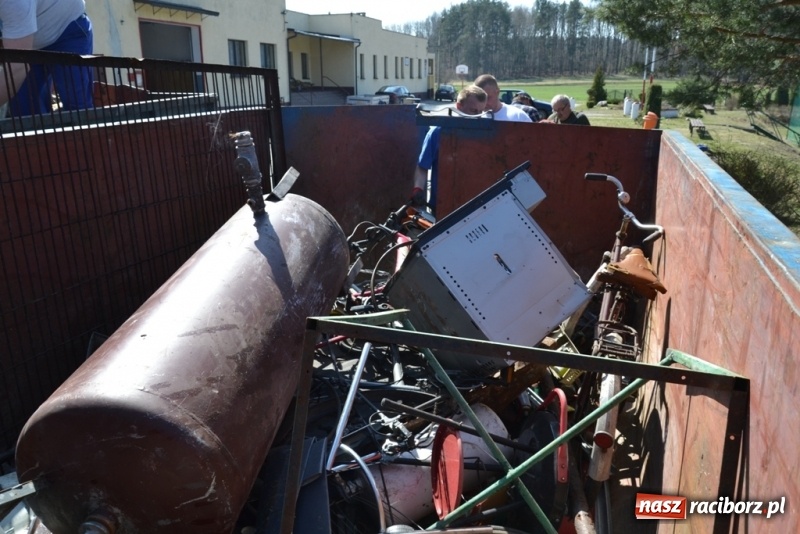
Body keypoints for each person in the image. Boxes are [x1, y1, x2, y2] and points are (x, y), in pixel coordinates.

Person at [0, 0, 94, 117]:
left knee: (77, 108)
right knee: (24, 111)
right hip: (27, 39)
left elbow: (16, 67)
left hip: (67, 29)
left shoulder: (13, 3)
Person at [410, 85, 488, 214]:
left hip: (476, 206)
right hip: (443, 206)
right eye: (473, 111)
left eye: (481, 112)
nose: (477, 117)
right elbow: (423, 166)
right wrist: (418, 189)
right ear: (459, 106)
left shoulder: (485, 134)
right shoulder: (438, 132)